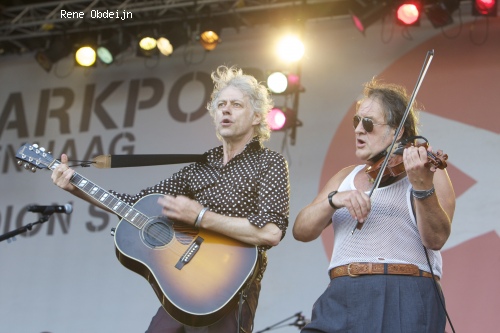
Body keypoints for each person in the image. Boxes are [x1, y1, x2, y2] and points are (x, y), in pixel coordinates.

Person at [51, 65, 290, 333]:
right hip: (182, 287)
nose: (225, 109)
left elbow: (271, 232)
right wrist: (75, 186)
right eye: (221, 104)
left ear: (257, 116)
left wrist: (200, 217)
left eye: (236, 105)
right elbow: (138, 203)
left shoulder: (269, 162)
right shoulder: (199, 167)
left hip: (231, 288)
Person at [293, 78, 455, 333]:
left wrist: (423, 187)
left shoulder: (428, 171)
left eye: (367, 123)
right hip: (344, 293)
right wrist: (335, 199)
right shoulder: (345, 176)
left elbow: (436, 238)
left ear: (397, 131)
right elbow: (301, 230)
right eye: (356, 121)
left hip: (406, 291)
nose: (358, 130)